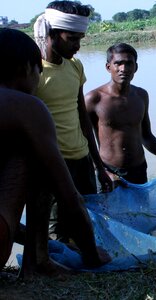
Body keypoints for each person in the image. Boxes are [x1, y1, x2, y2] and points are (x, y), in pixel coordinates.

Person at [0, 28, 110, 278]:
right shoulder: (26, 107)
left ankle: (36, 259)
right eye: (38, 72)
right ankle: (37, 261)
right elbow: (69, 198)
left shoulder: (74, 68)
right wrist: (91, 255)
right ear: (26, 69)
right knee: (39, 164)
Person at [33, 1, 113, 241]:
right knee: (56, 229)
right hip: (52, 162)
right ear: (51, 34)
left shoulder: (75, 66)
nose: (77, 46)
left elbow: (82, 117)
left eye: (81, 39)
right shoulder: (34, 71)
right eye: (71, 39)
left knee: (86, 219)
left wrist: (99, 166)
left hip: (82, 159)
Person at [85, 43, 156, 185]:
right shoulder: (94, 99)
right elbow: (83, 142)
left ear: (136, 67)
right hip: (109, 171)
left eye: (128, 64)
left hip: (138, 169)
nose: (123, 69)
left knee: (142, 207)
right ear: (108, 67)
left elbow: (146, 136)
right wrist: (101, 170)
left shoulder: (141, 95)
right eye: (118, 64)